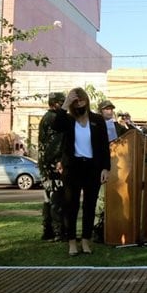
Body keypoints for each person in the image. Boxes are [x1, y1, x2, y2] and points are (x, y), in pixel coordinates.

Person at [52, 87, 111, 256]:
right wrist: (65, 103)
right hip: (72, 167)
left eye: (81, 100)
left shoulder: (97, 120)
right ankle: (72, 242)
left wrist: (106, 167)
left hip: (92, 167)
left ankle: (86, 241)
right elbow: (56, 125)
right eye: (75, 101)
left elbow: (103, 146)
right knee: (71, 205)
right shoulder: (68, 120)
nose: (79, 104)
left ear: (87, 100)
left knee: (89, 205)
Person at [93, 100, 129, 242]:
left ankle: (114, 228)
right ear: (100, 111)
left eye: (111, 109)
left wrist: (127, 125)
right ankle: (98, 230)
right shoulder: (94, 125)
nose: (110, 111)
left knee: (116, 198)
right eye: (106, 109)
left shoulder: (117, 126)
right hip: (101, 165)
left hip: (119, 166)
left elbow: (129, 137)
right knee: (101, 199)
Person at [37, 92, 65, 242]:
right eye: (62, 102)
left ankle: (47, 231)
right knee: (57, 199)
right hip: (53, 165)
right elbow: (56, 145)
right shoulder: (55, 119)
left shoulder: (46, 117)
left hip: (45, 164)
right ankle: (58, 233)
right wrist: (58, 161)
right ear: (55, 104)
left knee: (48, 198)